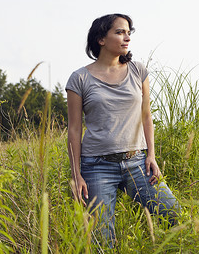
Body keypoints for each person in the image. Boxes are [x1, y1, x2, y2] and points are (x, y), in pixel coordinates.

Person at [65, 13, 179, 246]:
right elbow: (74, 130)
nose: (127, 37)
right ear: (101, 39)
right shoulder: (79, 79)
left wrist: (152, 155)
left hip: (137, 162)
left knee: (176, 215)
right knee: (102, 241)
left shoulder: (138, 70)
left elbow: (146, 116)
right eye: (119, 32)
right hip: (97, 167)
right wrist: (76, 175)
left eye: (129, 32)